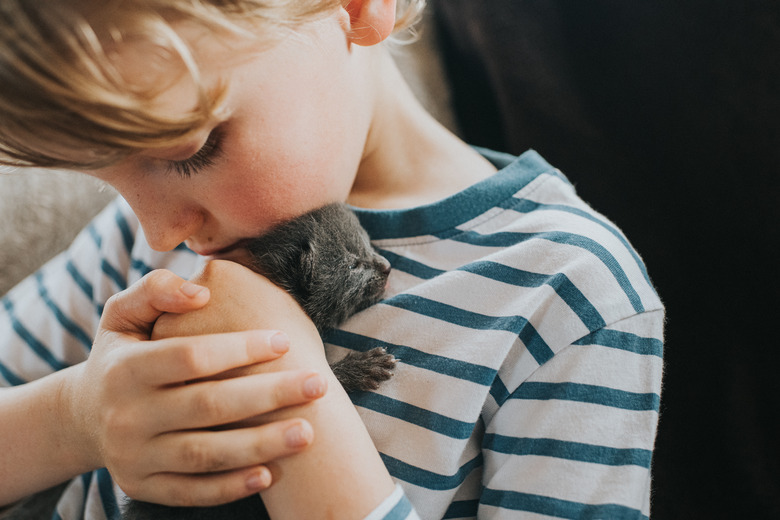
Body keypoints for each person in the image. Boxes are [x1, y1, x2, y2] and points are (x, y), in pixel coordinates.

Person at [0, 0, 664, 518]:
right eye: (104, 175)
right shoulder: (136, 244)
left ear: (351, 7)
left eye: (188, 153)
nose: (159, 230)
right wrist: (73, 422)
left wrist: (295, 407)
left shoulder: (566, 293)